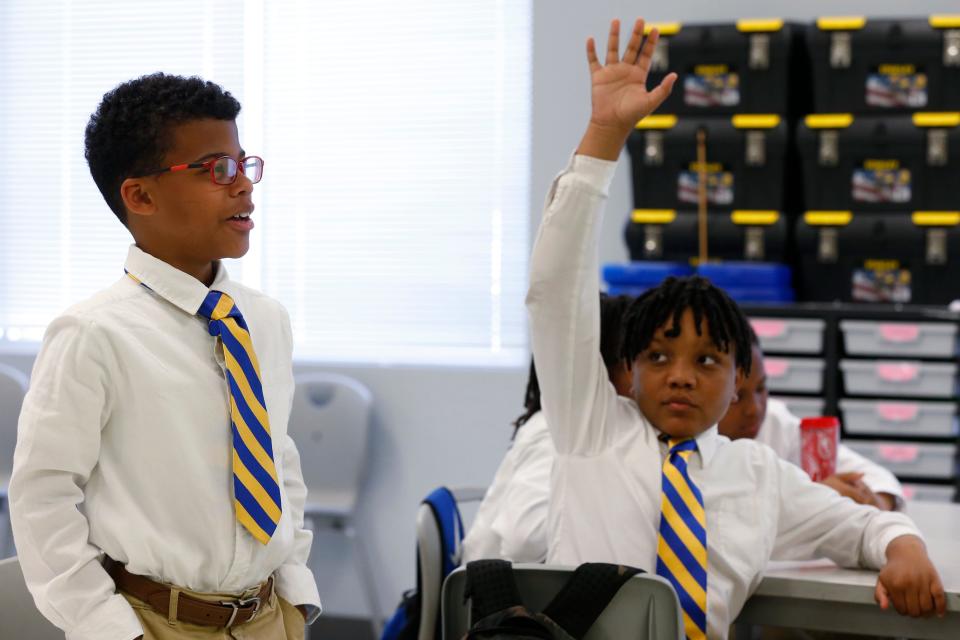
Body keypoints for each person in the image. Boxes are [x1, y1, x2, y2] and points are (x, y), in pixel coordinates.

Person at [526, 19, 945, 639]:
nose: (681, 377)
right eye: (660, 356)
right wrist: (604, 136)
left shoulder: (757, 475)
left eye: (707, 361)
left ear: (740, 382)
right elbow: (555, 291)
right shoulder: (590, 430)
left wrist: (903, 545)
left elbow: (859, 527)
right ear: (629, 371)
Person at [9, 73, 321, 640]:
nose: (244, 187)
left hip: (270, 616)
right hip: (156, 622)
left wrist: (296, 592)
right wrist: (108, 628)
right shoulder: (92, 334)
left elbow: (278, 458)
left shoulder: (264, 319)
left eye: (243, 163)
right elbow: (42, 498)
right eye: (215, 170)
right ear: (141, 196)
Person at [461, 293, 631, 563]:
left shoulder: (576, 424)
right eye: (633, 360)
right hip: (494, 595)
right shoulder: (555, 433)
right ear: (599, 367)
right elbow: (524, 542)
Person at [719, 330, 903, 511]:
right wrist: (814, 498)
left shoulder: (775, 424)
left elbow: (879, 479)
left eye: (761, 388)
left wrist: (873, 502)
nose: (754, 409)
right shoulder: (694, 448)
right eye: (737, 396)